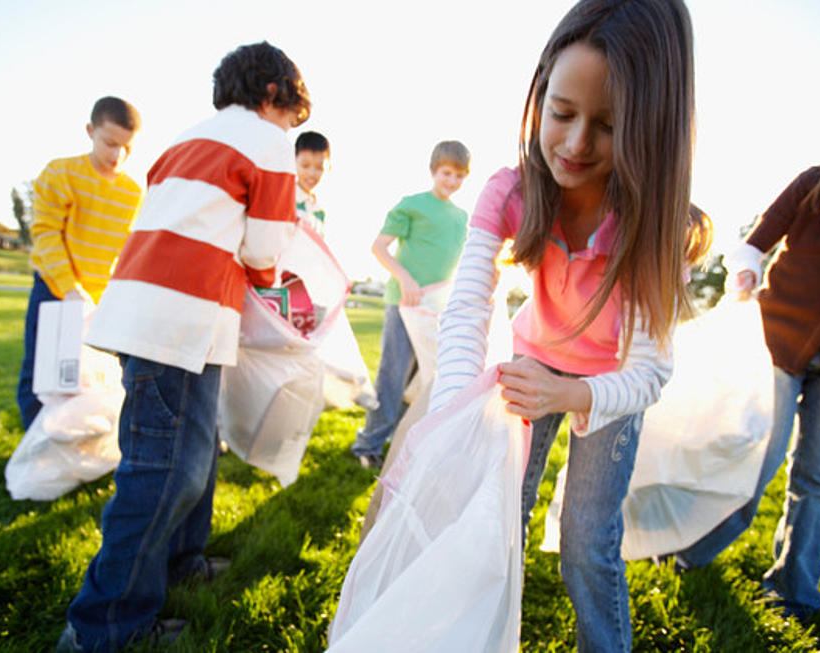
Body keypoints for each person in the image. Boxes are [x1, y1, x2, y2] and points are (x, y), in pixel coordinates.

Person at [428, 1, 702, 650]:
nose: (576, 145)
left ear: (648, 127)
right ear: (541, 93)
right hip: (533, 365)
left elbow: (650, 370)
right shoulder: (510, 190)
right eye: (562, 113)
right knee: (498, 520)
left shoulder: (653, 225)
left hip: (606, 389)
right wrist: (450, 411)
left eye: (607, 125)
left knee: (586, 543)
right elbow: (469, 302)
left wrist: (576, 395)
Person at [55, 41, 310, 652]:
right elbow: (264, 250)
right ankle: (103, 628)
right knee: (166, 472)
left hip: (165, 319)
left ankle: (181, 563)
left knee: (194, 454)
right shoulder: (267, 140)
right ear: (273, 95)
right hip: (179, 322)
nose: (289, 130)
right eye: (291, 116)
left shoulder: (184, 139)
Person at [670, 91, 820, 620]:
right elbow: (754, 242)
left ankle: (794, 589)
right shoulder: (818, 183)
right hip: (780, 342)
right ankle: (690, 550)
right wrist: (744, 272)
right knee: (756, 464)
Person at [16, 96, 143, 430]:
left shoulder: (132, 192)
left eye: (127, 148)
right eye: (110, 143)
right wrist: (70, 288)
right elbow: (45, 234)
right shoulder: (61, 173)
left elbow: (126, 249)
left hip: (99, 299)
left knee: (89, 377)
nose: (118, 155)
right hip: (56, 290)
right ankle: (38, 447)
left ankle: (78, 443)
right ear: (90, 131)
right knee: (42, 373)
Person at [349, 140, 471, 469]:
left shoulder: (461, 217)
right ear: (434, 171)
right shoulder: (413, 205)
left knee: (419, 380)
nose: (452, 181)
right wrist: (405, 279)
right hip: (403, 304)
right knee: (393, 375)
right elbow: (380, 248)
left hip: (435, 310)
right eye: (447, 173)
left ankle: (399, 437)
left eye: (460, 176)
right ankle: (368, 444)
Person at [294, 130, 330, 236]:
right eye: (305, 165)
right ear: (294, 161)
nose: (311, 174)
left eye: (319, 167)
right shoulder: (285, 200)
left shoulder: (320, 210)